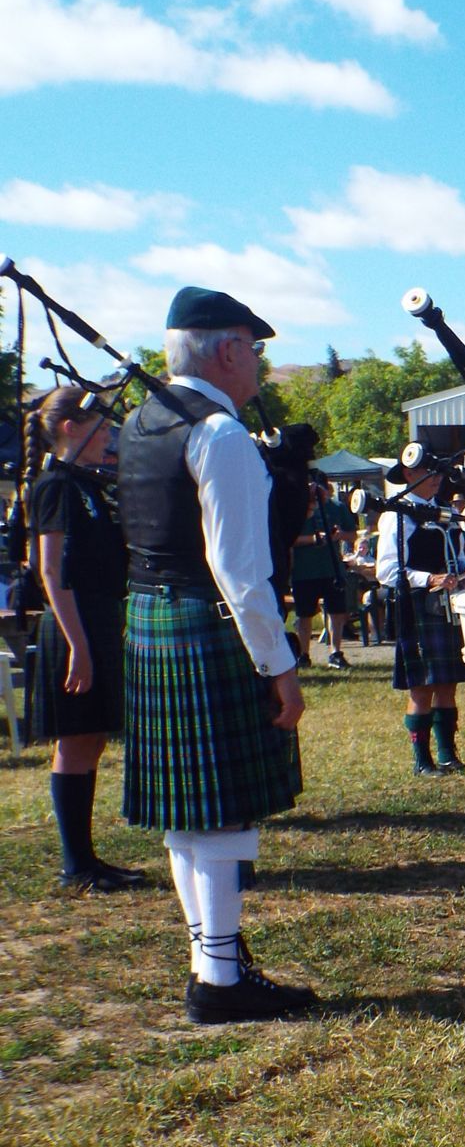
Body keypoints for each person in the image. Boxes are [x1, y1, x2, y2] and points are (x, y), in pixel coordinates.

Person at [119, 286, 310, 1025]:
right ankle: (222, 979)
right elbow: (240, 568)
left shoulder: (139, 422)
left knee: (187, 815)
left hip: (149, 616)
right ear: (227, 349)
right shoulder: (221, 434)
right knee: (223, 813)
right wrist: (280, 667)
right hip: (207, 620)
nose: (259, 365)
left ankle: (212, 966)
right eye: (255, 350)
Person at [25, 387, 146, 892]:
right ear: (72, 427)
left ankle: (89, 859)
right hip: (73, 626)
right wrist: (78, 646)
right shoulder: (54, 485)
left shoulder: (86, 486)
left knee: (92, 739)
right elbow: (50, 571)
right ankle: (75, 865)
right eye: (101, 423)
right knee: (75, 742)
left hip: (96, 620)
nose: (109, 434)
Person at [376, 459, 465, 774]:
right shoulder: (397, 515)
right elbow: (387, 570)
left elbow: (458, 557)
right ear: (409, 474)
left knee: (448, 683)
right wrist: (431, 579)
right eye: (429, 472)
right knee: (422, 687)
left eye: (438, 472)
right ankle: (422, 761)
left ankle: (448, 755)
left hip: (449, 606)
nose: (437, 478)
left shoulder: (448, 514)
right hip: (419, 606)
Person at [289, 480, 356, 669]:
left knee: (337, 613)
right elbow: (288, 538)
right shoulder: (297, 508)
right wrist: (314, 538)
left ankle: (335, 652)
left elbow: (352, 534)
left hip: (331, 568)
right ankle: (304, 655)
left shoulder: (337, 507)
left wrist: (338, 535)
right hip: (304, 571)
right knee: (304, 614)